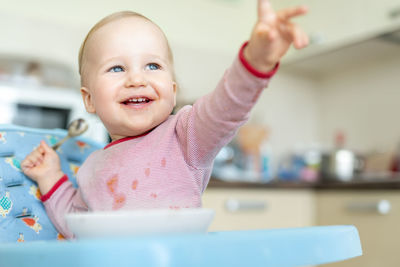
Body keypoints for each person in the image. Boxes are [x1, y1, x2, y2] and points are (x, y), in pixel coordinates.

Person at [21, 0, 309, 238]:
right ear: (89, 100)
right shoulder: (92, 167)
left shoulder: (185, 135)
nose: (137, 78)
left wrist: (256, 62)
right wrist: (50, 177)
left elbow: (225, 109)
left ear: (172, 92)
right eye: (117, 68)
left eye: (152, 65)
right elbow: (77, 229)